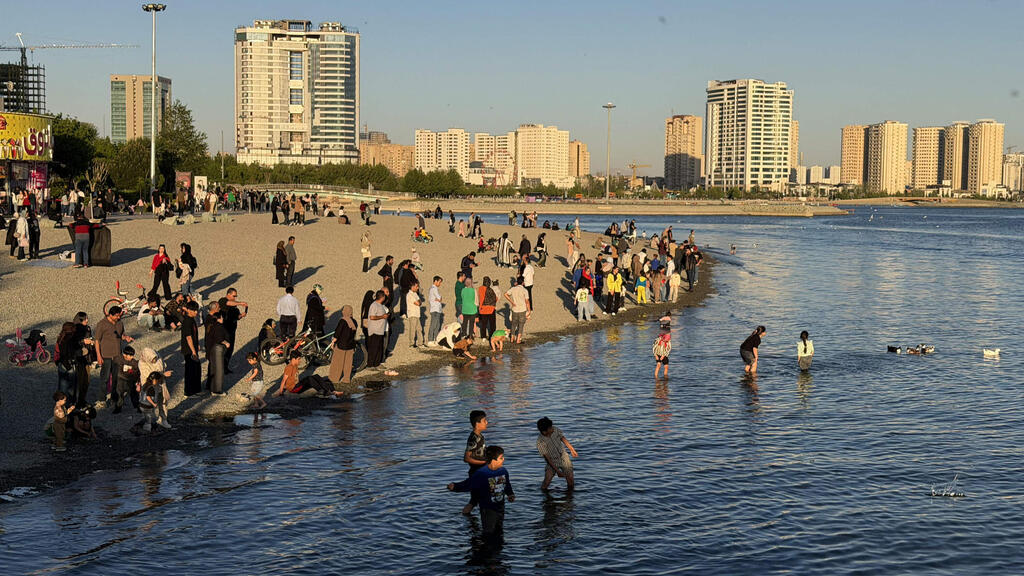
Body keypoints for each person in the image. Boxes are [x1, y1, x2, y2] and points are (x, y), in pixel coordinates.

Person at [447, 446, 515, 540]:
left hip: (500, 506)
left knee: (499, 530)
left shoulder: (503, 471)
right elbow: (468, 484)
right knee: (488, 532)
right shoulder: (482, 473)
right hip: (488, 509)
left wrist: (510, 494)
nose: (504, 459)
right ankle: (486, 550)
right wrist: (455, 486)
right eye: (501, 458)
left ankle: (498, 549)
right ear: (493, 460)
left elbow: (506, 484)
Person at [94, 306, 133, 404]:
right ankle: (102, 399)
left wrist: (126, 337)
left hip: (117, 355)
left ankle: (114, 398)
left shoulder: (120, 323)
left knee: (117, 378)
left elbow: (121, 335)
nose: (118, 317)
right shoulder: (101, 324)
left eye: (119, 315)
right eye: (116, 316)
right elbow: (97, 340)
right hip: (106, 355)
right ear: (110, 315)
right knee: (105, 378)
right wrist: (98, 355)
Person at [458, 410, 487, 515]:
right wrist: (484, 462)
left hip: (480, 471)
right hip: (476, 472)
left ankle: (469, 520)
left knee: (474, 500)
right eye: (484, 421)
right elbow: (467, 458)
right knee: (475, 499)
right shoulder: (473, 438)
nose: (486, 423)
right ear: (477, 423)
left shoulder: (480, 437)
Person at [536, 417, 578, 491]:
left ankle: (569, 498)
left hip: (564, 457)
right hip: (552, 461)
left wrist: (572, 449)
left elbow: (562, 438)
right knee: (546, 482)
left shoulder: (554, 429)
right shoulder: (540, 442)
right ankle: (545, 499)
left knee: (571, 481)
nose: (552, 428)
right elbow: (548, 459)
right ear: (544, 431)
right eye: (550, 428)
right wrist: (558, 471)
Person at [138, 347, 173, 429]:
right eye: (152, 359)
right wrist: (163, 374)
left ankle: (163, 419)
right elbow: (149, 376)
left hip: (160, 383)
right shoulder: (142, 363)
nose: (154, 360)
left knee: (163, 402)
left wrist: (162, 374)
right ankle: (148, 423)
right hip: (149, 386)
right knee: (148, 405)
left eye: (155, 358)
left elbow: (162, 365)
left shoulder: (158, 357)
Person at [218, 288, 248, 372]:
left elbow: (237, 317)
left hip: (232, 331)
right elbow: (228, 303)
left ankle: (225, 367)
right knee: (223, 349)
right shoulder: (222, 301)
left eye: (236, 296)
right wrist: (240, 303)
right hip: (224, 331)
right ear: (228, 294)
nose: (235, 298)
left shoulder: (234, 308)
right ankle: (219, 367)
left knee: (230, 350)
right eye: (233, 296)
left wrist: (242, 315)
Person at [205, 302, 231, 395]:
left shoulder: (212, 323)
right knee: (218, 369)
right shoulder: (216, 325)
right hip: (217, 348)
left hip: (212, 348)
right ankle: (216, 389)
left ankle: (211, 387)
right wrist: (226, 342)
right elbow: (218, 338)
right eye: (218, 307)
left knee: (213, 368)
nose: (220, 308)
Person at [328, 305, 358, 384]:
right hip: (351, 345)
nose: (342, 311)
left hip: (341, 345)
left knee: (338, 362)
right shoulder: (354, 321)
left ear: (345, 312)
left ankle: (334, 378)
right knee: (348, 363)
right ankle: (346, 379)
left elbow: (337, 333)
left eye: (343, 310)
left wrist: (333, 341)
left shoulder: (343, 321)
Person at [181, 302, 203, 396]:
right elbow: (188, 337)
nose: (196, 312)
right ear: (189, 310)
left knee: (196, 369)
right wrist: (193, 351)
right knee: (190, 371)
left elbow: (193, 335)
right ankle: (189, 391)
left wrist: (197, 345)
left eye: (196, 310)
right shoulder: (187, 321)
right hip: (189, 350)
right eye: (194, 310)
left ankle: (196, 389)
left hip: (193, 348)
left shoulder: (192, 319)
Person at [111, 345, 141, 414]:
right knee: (120, 394)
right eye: (130, 355)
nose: (132, 357)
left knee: (134, 394)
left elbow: (137, 372)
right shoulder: (119, 360)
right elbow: (119, 372)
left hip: (130, 381)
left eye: (132, 355)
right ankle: (118, 407)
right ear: (124, 355)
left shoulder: (134, 363)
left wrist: (136, 380)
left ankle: (137, 406)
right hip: (121, 380)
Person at [504, 277, 531, 344]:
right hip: (522, 309)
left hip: (514, 309)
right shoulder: (525, 290)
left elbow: (505, 294)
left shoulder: (513, 289)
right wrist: (529, 310)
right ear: (523, 282)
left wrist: (512, 302)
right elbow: (527, 301)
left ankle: (512, 339)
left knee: (513, 324)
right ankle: (518, 340)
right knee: (521, 325)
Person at [366, 290, 389, 368]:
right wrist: (382, 317)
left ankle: (377, 364)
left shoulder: (380, 305)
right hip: (374, 330)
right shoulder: (374, 305)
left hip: (380, 330)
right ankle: (370, 365)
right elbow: (372, 317)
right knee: (373, 348)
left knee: (379, 348)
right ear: (382, 297)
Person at [405, 281, 425, 348]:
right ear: (412, 286)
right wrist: (419, 301)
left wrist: (419, 301)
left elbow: (420, 302)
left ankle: (420, 343)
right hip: (412, 314)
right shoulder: (409, 294)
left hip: (417, 314)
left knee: (419, 329)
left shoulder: (415, 294)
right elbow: (418, 303)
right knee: (412, 329)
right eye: (416, 286)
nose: (417, 288)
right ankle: (411, 343)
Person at [427, 276, 444, 345]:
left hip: (437, 309)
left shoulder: (434, 289)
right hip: (435, 309)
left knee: (437, 325)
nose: (440, 284)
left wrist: (438, 299)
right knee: (433, 325)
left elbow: (439, 299)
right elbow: (439, 298)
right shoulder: (433, 289)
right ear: (435, 281)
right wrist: (438, 299)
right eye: (439, 282)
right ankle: (430, 340)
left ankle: (436, 339)